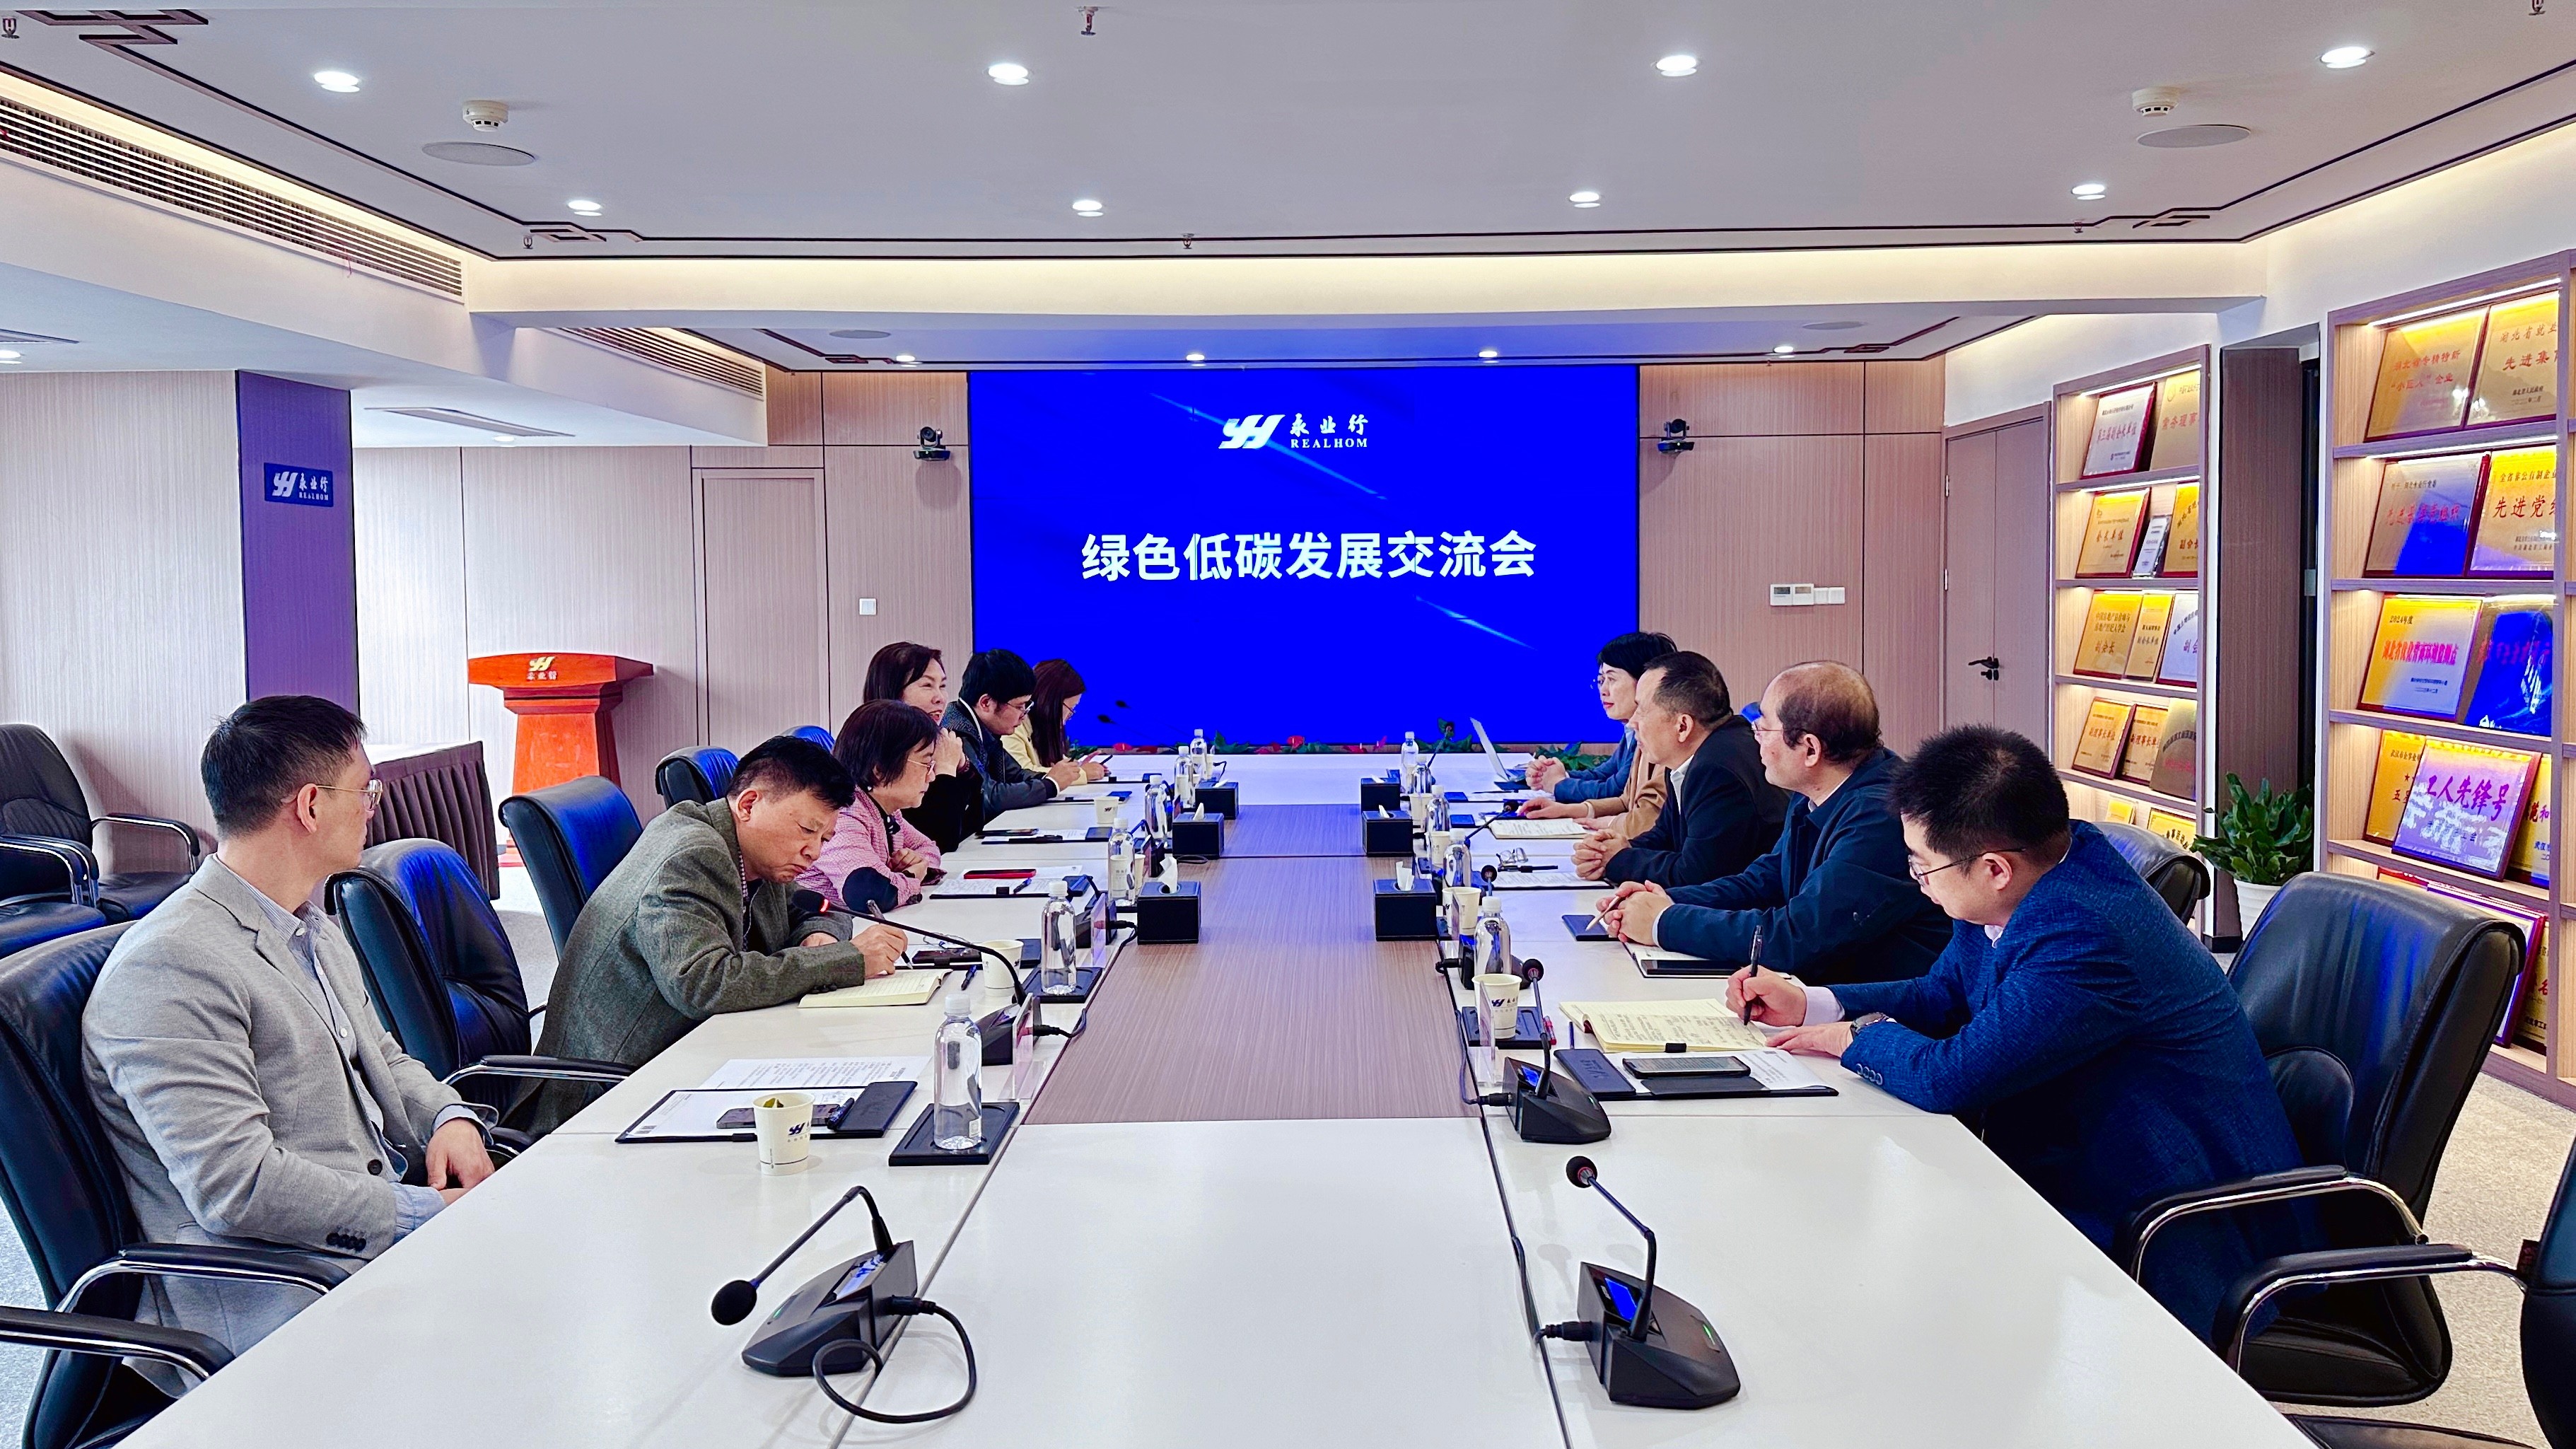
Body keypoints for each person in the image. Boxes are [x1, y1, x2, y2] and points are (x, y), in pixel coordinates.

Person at [1736, 725, 2304, 1344]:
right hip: (2067, 1168)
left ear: (1994, 868)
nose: (1916, 879)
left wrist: (1855, 1037)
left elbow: (1950, 1076)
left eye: (1921, 864)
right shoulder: (2030, 876)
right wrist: (1811, 1002)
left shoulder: (2086, 934)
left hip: (2168, 1232)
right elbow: (1943, 994)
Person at [83, 696, 496, 1376]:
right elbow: (238, 1187)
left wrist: (448, 1117)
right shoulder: (171, 965)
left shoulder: (308, 923)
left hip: (368, 1247)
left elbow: (380, 1055)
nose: (373, 808)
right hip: (285, 1296)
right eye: (365, 792)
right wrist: (423, 1211)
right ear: (309, 806)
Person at [527, 735, 907, 1131]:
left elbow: (818, 907)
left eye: (824, 839)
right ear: (749, 805)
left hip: (693, 1056)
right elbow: (704, 984)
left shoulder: (756, 851)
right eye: (807, 830)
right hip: (610, 1098)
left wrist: (819, 938)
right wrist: (841, 960)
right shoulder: (692, 855)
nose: (814, 852)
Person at [1597, 662, 1947, 984]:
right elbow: (1765, 880)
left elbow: (1797, 937)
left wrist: (1663, 923)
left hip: (1882, 1011)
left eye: (1763, 728)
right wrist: (1664, 899)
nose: (1755, 739)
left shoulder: (1880, 817)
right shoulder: (1814, 792)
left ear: (1810, 750)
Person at [1572, 652, 1783, 888]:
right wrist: (1619, 848)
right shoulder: (1691, 756)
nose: (1633, 722)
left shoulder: (1717, 769)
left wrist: (1618, 860)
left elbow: (1695, 874)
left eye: (1642, 710)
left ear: (1682, 726)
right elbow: (1665, 836)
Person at [1519, 631, 1673, 840]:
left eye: (1612, 679)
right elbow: (1624, 796)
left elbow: (1618, 792)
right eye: (1601, 681)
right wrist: (1565, 800)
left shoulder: (1664, 739)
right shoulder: (1635, 729)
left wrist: (1559, 784)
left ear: (1647, 682)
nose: (1603, 690)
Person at [806, 701, 944, 912]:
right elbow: (869, 894)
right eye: (926, 764)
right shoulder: (843, 812)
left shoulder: (885, 809)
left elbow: (929, 850)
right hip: (825, 929)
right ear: (879, 770)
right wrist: (912, 875)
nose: (932, 776)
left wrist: (913, 868)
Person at [943, 648, 1100, 818]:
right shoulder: (958, 733)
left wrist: (1057, 776)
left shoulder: (985, 728)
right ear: (986, 703)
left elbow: (1016, 775)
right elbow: (988, 797)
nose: (1024, 715)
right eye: (1019, 706)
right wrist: (1051, 784)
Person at [862, 641, 984, 851]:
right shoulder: (880, 751)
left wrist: (963, 768)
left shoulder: (937, 741)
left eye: (942, 686)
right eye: (927, 686)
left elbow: (974, 827)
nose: (940, 698)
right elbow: (941, 842)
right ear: (893, 692)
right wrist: (946, 771)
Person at [1003, 658, 1093, 773]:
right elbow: (1022, 774)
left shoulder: (1043, 727)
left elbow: (1056, 766)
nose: (1070, 716)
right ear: (1052, 702)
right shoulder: (1013, 725)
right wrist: (1082, 774)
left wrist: (1078, 767)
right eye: (1071, 708)